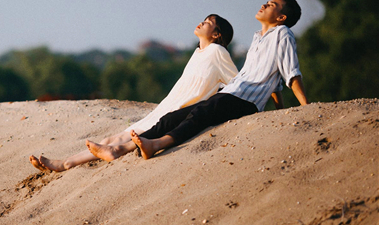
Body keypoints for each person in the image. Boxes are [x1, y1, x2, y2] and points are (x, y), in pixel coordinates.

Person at [86, 0, 309, 161]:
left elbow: (291, 74)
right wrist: (280, 112)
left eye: (272, 5)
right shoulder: (258, 38)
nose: (264, 5)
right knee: (173, 117)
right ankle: (120, 148)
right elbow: (275, 82)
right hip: (232, 93)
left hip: (245, 101)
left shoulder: (283, 34)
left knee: (201, 113)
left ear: (281, 17)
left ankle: (156, 145)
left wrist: (305, 107)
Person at [30, 14, 239, 172]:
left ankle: (64, 164)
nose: (202, 22)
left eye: (209, 22)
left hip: (178, 112)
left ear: (216, 34)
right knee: (114, 136)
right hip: (167, 106)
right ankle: (65, 162)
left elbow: (237, 84)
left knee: (121, 138)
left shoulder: (218, 52)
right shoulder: (198, 53)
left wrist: (211, 103)